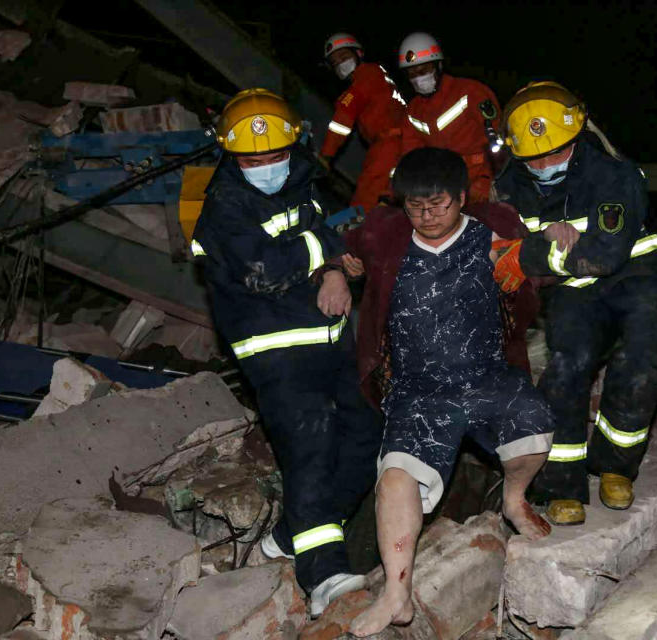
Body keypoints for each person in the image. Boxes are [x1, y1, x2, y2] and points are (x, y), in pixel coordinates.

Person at [339, 147, 554, 636]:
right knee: (394, 480)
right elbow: (342, 248)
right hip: (419, 391)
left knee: (536, 430)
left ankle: (514, 498)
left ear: (462, 198)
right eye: (415, 206)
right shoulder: (384, 232)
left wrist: (552, 244)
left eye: (437, 205)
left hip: (488, 376)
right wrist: (334, 271)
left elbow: (543, 267)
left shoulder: (494, 228)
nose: (426, 216)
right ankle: (397, 595)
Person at [191, 89, 382, 618]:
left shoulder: (303, 186)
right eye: (253, 159)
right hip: (275, 352)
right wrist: (332, 253)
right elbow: (264, 270)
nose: (267, 166)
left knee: (368, 433)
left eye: (275, 155)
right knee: (312, 446)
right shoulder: (222, 208)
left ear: (293, 148)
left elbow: (317, 239)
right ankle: (324, 574)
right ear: (231, 155)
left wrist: (337, 270)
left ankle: (291, 535)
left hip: (329, 338)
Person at [491, 82, 657, 523]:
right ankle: (562, 484)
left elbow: (603, 255)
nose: (544, 164)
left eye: (554, 152)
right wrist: (539, 245)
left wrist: (534, 252)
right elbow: (496, 253)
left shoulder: (614, 175)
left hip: (637, 280)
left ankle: (616, 467)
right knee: (567, 365)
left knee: (645, 355)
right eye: (533, 157)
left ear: (576, 138)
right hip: (573, 292)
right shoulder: (510, 187)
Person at [397, 32, 501, 203]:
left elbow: (498, 136)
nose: (418, 78)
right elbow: (411, 158)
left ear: (438, 65)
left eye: (424, 70)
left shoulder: (470, 92)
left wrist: (493, 181)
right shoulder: (413, 112)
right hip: (446, 188)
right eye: (412, 74)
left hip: (484, 181)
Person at [320, 33, 408, 214]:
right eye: (335, 63)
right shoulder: (380, 76)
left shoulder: (365, 76)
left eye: (344, 57)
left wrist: (325, 156)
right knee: (385, 203)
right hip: (404, 145)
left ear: (359, 54)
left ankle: (345, 238)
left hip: (388, 147)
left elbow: (343, 118)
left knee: (363, 204)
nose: (341, 64)